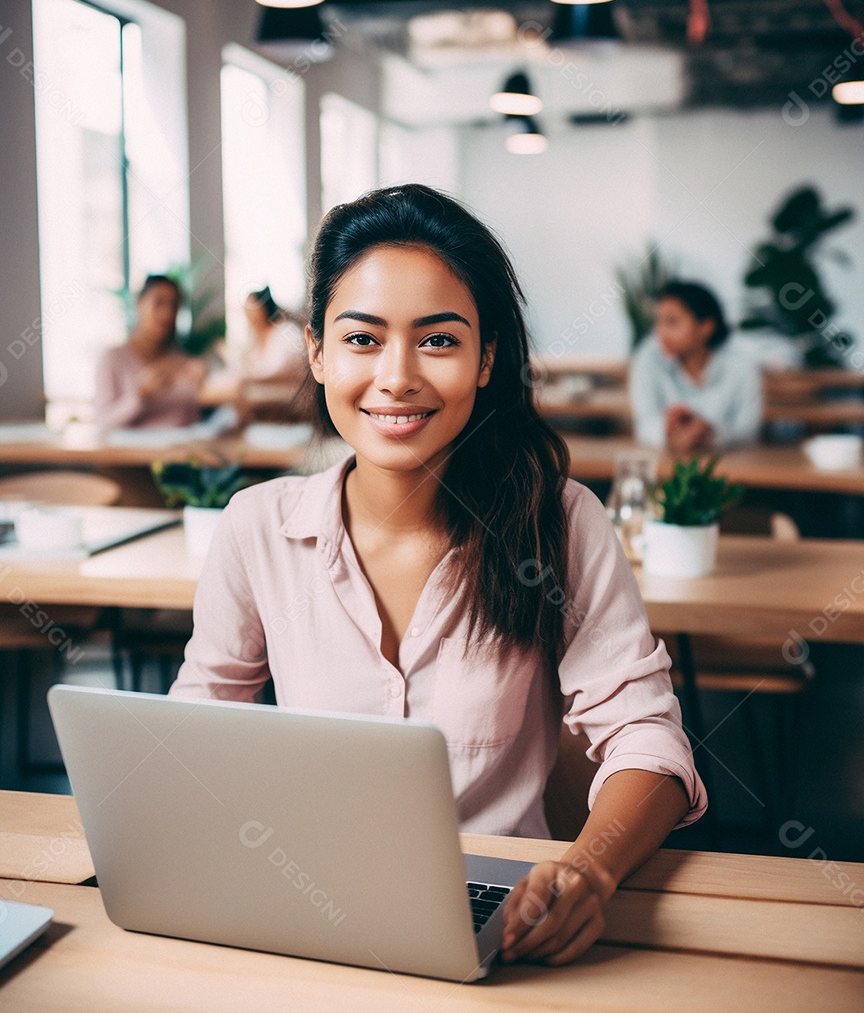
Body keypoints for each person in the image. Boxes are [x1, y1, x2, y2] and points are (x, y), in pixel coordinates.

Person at [170, 184, 706, 967]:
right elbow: (195, 734)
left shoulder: (557, 522)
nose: (397, 377)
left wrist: (589, 868)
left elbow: (645, 735)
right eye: (362, 339)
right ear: (316, 351)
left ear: (487, 358)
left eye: (439, 341)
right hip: (300, 909)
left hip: (504, 913)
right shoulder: (256, 526)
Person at [629, 280, 763, 452]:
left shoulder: (741, 366)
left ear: (706, 327)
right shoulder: (649, 357)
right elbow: (645, 424)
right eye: (658, 322)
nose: (661, 332)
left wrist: (711, 433)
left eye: (672, 322)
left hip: (728, 467)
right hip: (667, 464)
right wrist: (668, 430)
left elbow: (749, 432)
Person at [95, 275, 206, 432]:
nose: (167, 313)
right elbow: (103, 423)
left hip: (179, 452)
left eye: (174, 306)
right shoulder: (112, 359)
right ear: (139, 303)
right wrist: (139, 395)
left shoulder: (185, 363)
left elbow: (193, 421)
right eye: (159, 303)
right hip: (132, 455)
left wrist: (205, 386)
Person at [241, 286, 308, 384]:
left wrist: (252, 378)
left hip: (286, 393)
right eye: (246, 309)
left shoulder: (286, 332)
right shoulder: (254, 339)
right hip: (262, 393)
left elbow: (296, 369)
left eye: (252, 308)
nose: (248, 314)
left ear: (263, 308)